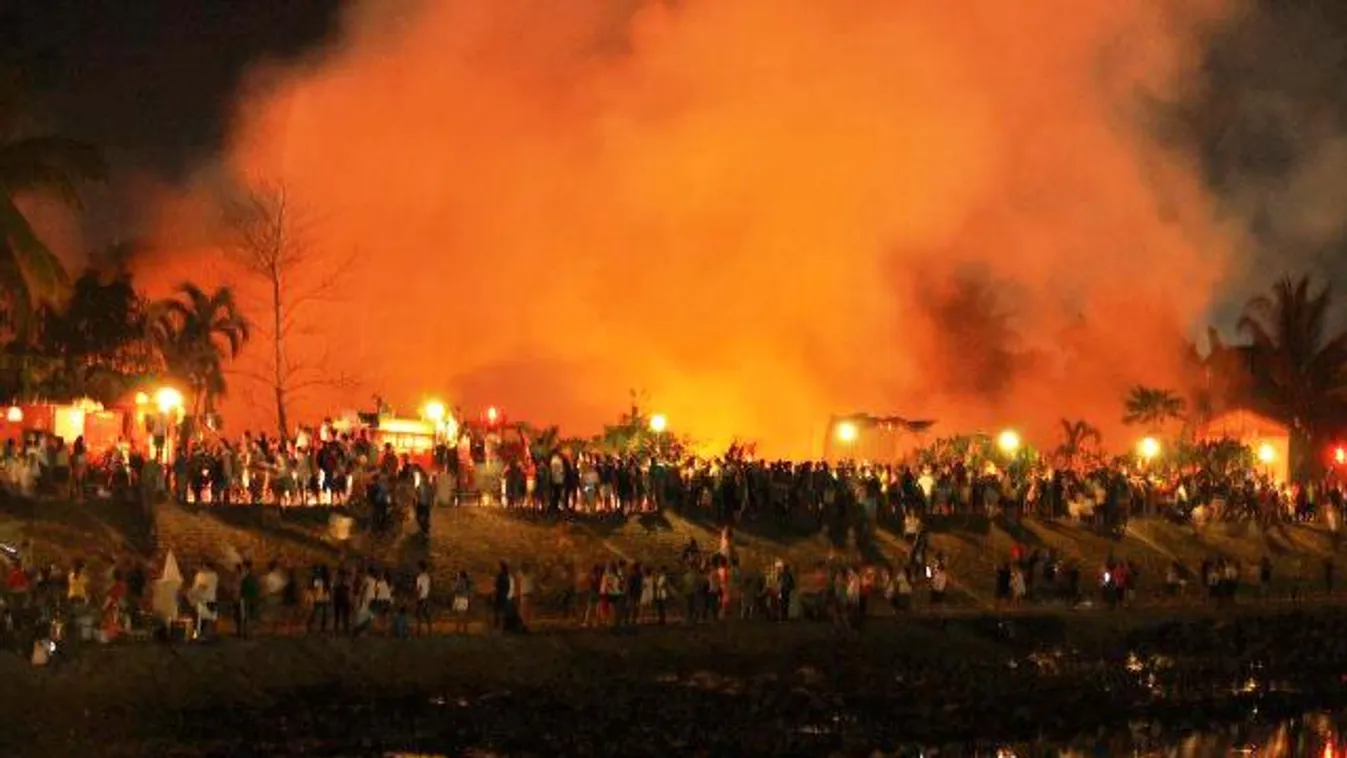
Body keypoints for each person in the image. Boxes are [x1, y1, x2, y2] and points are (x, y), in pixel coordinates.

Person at [414, 561, 432, 636]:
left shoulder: (419, 577)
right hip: (426, 597)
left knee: (419, 614)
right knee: (426, 614)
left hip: (421, 597)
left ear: (419, 568)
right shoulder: (427, 576)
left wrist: (417, 598)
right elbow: (428, 587)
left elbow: (419, 588)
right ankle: (429, 630)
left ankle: (418, 631)